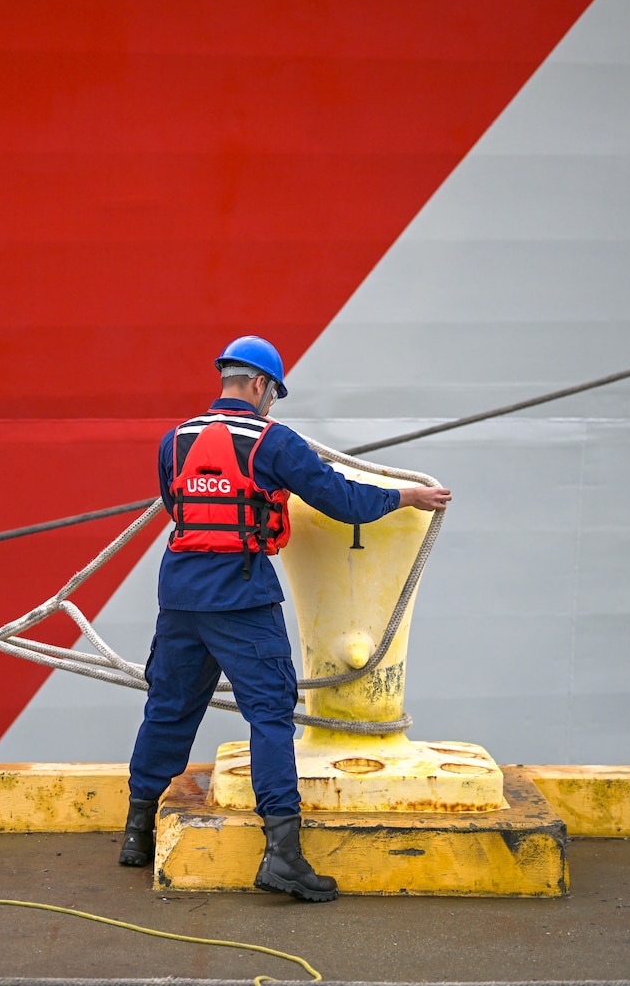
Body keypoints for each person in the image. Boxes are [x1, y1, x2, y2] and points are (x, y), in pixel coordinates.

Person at [118, 335, 451, 901]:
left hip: (179, 596)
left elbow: (178, 509)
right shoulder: (273, 441)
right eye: (272, 393)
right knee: (271, 716)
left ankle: (135, 834)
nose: (271, 403)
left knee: (169, 706)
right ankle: (283, 855)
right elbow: (343, 500)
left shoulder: (174, 440)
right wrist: (407, 496)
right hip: (242, 598)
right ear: (260, 386)